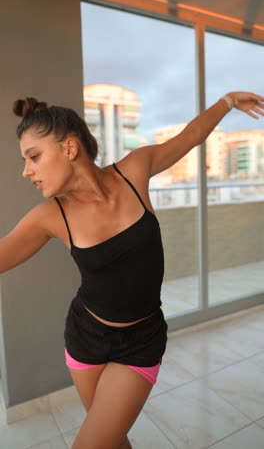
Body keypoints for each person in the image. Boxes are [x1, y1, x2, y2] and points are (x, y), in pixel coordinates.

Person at [1, 91, 263, 449]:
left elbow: (189, 136)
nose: (26, 171)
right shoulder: (51, 216)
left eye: (33, 157)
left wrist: (228, 102)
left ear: (70, 148)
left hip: (140, 342)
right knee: (112, 440)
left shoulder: (134, 171)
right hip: (85, 338)